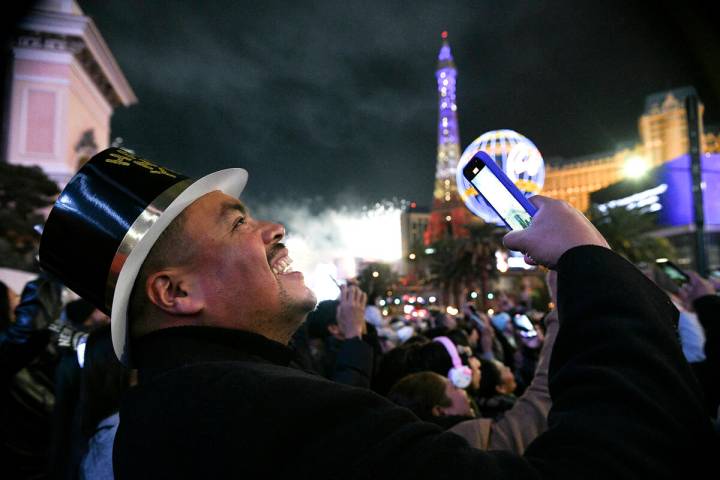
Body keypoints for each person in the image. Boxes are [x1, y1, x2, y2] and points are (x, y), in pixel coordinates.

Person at [38, 148, 717, 479]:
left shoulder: (181, 414)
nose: (272, 226)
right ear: (176, 294)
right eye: (237, 221)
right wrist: (593, 267)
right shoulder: (251, 414)